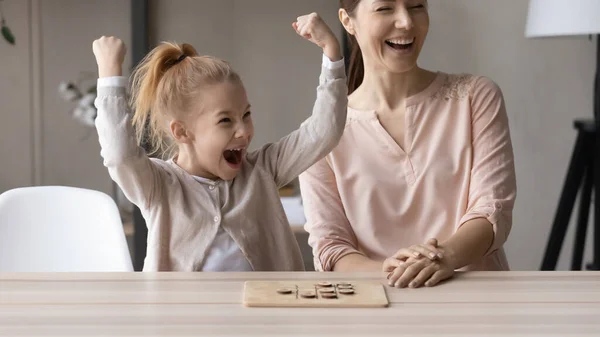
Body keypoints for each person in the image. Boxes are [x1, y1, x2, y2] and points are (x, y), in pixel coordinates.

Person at [91, 12, 348, 271]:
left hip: (265, 309)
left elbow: (323, 131)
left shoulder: (263, 170)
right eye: (225, 121)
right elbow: (120, 155)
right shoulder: (159, 186)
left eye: (246, 115)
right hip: (181, 311)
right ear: (181, 132)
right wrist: (109, 75)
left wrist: (332, 54)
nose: (243, 131)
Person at [299, 0, 516, 287]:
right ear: (348, 21)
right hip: (376, 313)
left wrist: (445, 257)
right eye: (385, 8)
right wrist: (391, 271)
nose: (406, 22)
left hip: (479, 308)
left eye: (416, 6)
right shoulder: (320, 136)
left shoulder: (476, 97)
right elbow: (331, 249)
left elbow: (492, 211)